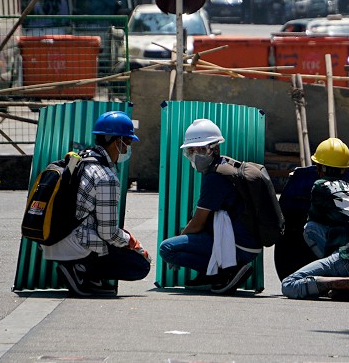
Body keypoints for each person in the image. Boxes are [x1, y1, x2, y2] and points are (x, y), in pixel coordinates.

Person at [43, 111, 151, 297]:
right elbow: (107, 232)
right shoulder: (105, 177)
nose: (127, 150)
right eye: (128, 143)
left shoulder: (80, 160)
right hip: (75, 243)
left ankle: (88, 277)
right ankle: (81, 268)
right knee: (141, 264)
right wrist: (134, 245)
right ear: (118, 142)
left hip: (51, 239)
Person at [159, 119, 260, 294]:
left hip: (238, 248)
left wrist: (180, 240)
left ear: (215, 149)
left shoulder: (215, 177)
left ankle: (225, 272)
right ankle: (215, 273)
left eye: (201, 149)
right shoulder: (224, 166)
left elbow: (197, 223)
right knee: (188, 236)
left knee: (167, 249)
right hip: (245, 243)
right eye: (191, 151)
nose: (195, 155)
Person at [281, 138, 349, 303]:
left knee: (289, 284)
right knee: (311, 228)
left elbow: (314, 217)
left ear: (320, 167)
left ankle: (346, 282)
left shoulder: (321, 185)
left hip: (347, 256)